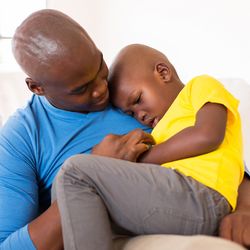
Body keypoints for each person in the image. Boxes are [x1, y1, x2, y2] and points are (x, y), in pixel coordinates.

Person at [0, 8, 249, 250]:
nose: (100, 89)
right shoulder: (22, 137)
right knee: (72, 173)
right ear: (37, 88)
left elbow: (216, 147)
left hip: (184, 208)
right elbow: (9, 246)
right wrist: (102, 164)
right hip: (109, 232)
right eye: (80, 89)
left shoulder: (132, 88)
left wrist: (245, 209)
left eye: (100, 68)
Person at [52, 45, 249, 249]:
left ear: (163, 73)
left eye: (137, 100)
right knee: (62, 188)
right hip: (176, 203)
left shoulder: (199, 86)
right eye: (131, 113)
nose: (140, 115)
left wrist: (138, 159)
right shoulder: (159, 131)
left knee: (74, 170)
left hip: (200, 195)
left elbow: (208, 135)